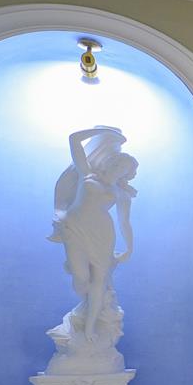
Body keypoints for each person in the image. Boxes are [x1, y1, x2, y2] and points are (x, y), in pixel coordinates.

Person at [49, 127, 138, 341]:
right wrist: (101, 131)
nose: (118, 168)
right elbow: (74, 140)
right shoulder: (87, 173)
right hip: (75, 229)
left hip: (102, 234)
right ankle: (83, 313)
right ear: (110, 161)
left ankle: (89, 328)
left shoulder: (121, 193)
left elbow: (124, 222)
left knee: (99, 280)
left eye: (124, 168)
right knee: (81, 279)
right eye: (117, 163)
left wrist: (129, 248)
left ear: (126, 174)